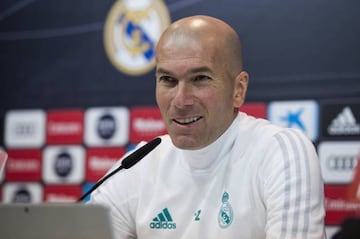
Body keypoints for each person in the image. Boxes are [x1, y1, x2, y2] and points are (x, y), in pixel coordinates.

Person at [90, 15, 325, 239]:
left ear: (238, 90)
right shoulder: (136, 166)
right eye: (168, 80)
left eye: (200, 78)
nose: (181, 101)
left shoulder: (281, 152)